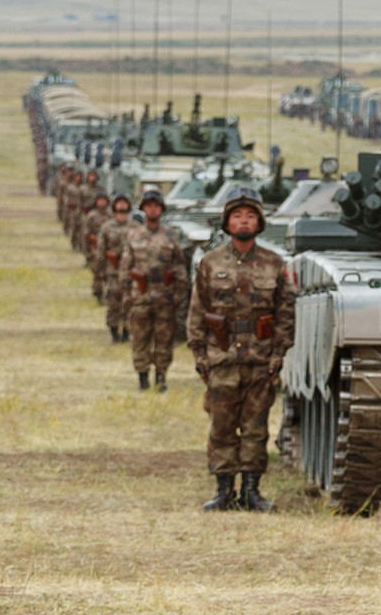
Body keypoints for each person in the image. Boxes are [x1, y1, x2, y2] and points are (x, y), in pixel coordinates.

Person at [187, 186, 295, 512]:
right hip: (221, 359)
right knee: (221, 426)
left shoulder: (274, 264)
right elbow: (196, 312)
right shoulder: (210, 263)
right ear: (227, 222)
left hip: (260, 360)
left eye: (249, 216)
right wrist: (200, 355)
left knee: (255, 427)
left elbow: (285, 314)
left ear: (259, 222)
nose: (243, 221)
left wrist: (277, 355)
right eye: (237, 216)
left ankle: (251, 491)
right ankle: (223, 491)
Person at [118, 188, 185, 391]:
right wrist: (127, 294)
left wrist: (178, 295)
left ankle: (161, 378)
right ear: (143, 209)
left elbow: (180, 268)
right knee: (140, 339)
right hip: (140, 296)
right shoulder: (134, 235)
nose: (152, 210)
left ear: (161, 209)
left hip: (165, 297)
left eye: (156, 206)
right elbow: (125, 268)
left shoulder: (171, 236)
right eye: (149, 206)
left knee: (164, 340)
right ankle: (143, 379)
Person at [98, 194, 134, 343]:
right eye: (119, 205)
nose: (121, 208)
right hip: (112, 272)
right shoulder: (107, 227)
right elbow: (101, 250)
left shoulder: (135, 227)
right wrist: (100, 272)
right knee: (113, 304)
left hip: (130, 275)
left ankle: (126, 333)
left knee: (129, 304)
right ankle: (114, 333)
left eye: (124, 205)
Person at [82, 191, 113, 299]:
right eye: (99, 200)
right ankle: (97, 290)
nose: (102, 202)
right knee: (97, 269)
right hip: (95, 247)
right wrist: (88, 250)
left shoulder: (111, 215)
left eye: (104, 200)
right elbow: (87, 233)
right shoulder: (92, 215)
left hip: (108, 247)